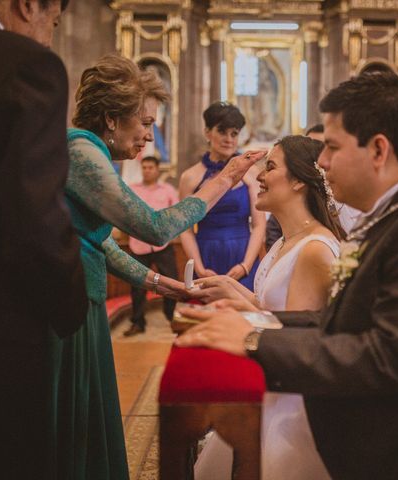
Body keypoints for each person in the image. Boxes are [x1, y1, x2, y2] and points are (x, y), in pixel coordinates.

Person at [176, 72, 398, 479]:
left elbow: (388, 358)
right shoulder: (395, 215)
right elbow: (336, 320)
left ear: (378, 149)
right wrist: (252, 322)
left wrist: (254, 341)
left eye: (331, 147)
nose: (322, 163)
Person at [59, 54, 264, 479]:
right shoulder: (80, 150)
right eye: (146, 123)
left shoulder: (87, 148)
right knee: (75, 422)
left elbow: (97, 241)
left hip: (83, 294)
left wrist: (159, 282)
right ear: (113, 118)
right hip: (71, 299)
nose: (150, 137)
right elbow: (155, 228)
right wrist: (224, 179)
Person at [0, 1, 88, 478]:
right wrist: (69, 306)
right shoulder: (20, 64)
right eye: (54, 23)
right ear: (31, 5)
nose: (50, 37)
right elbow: (35, 220)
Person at [192, 135, 344, 479]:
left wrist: (234, 316)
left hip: (290, 410)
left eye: (270, 167)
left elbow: (293, 340)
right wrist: (230, 288)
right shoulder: (286, 242)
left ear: (298, 182)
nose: (258, 175)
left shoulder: (313, 251)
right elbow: (274, 307)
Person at [179, 102, 265, 289]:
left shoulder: (252, 173)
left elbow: (259, 225)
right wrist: (199, 268)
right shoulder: (189, 177)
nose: (228, 139)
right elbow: (185, 230)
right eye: (222, 131)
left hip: (243, 254)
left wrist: (246, 265)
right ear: (207, 132)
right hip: (205, 255)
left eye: (234, 133)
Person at [123, 156, 180, 337]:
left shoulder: (168, 190)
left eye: (150, 167)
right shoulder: (132, 190)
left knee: (172, 282)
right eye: (144, 167)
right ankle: (138, 322)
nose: (147, 170)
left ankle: (172, 317)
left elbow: (177, 215)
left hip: (163, 246)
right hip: (138, 246)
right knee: (137, 286)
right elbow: (124, 213)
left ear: (157, 170)